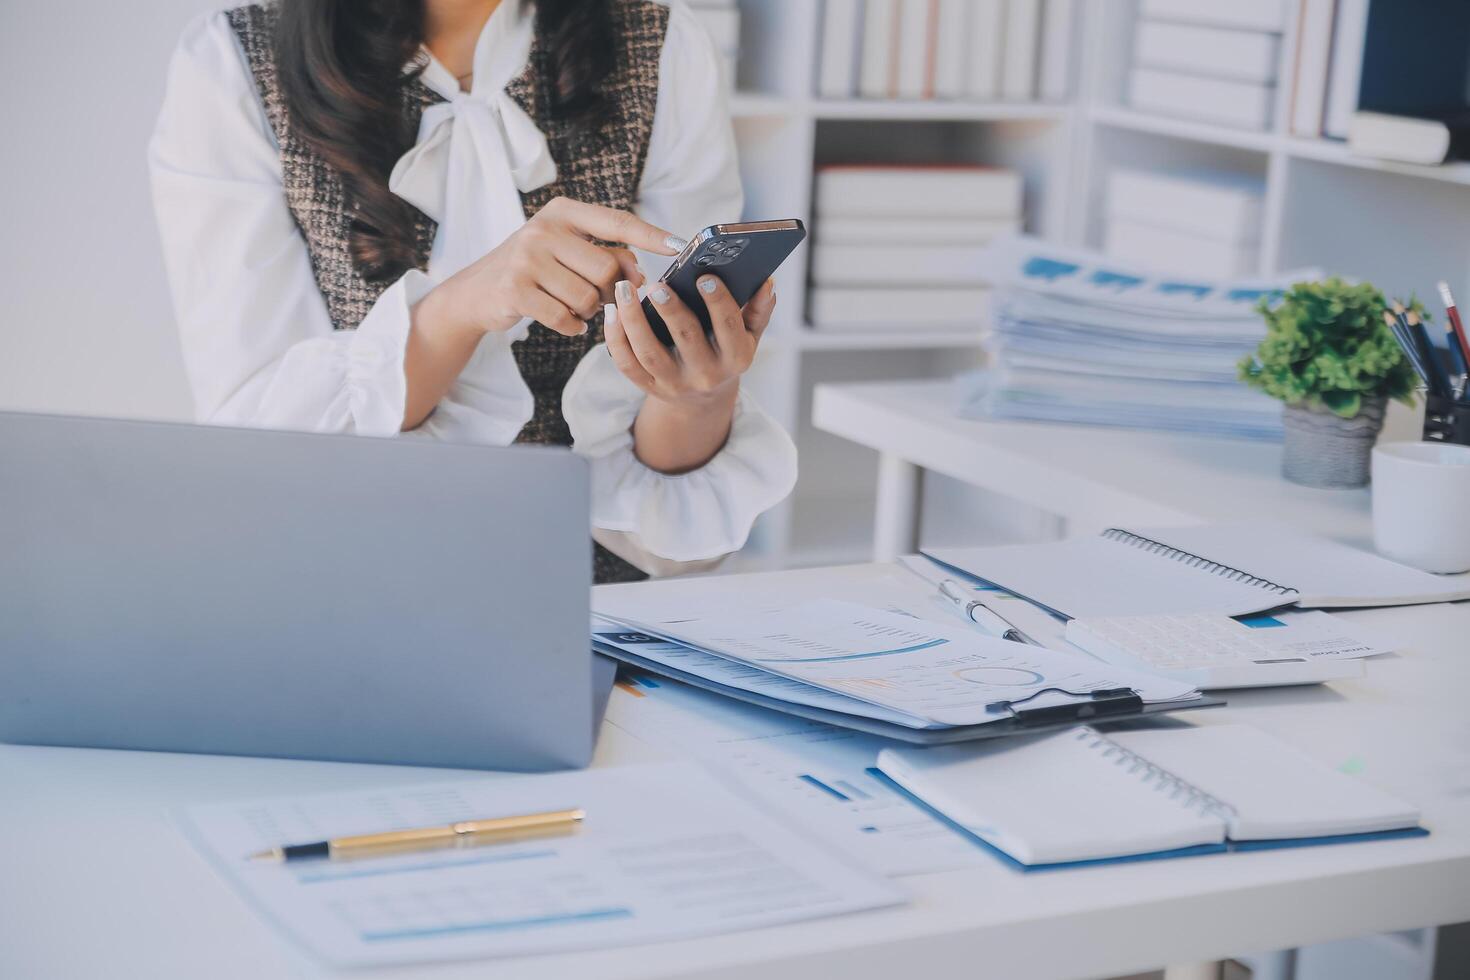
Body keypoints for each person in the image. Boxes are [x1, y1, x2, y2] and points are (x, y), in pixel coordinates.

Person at [149, 0, 797, 583]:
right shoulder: (236, 63)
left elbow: (659, 513)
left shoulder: (661, 45)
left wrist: (697, 397)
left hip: (589, 596)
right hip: (342, 584)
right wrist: (458, 308)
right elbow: (257, 440)